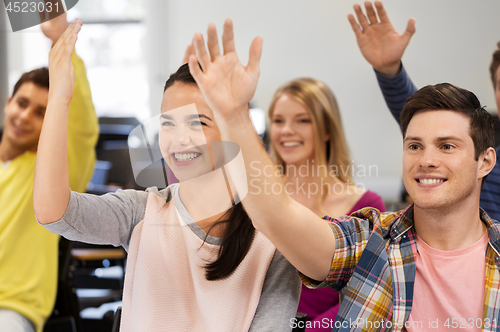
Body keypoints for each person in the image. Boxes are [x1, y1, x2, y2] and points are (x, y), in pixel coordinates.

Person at [184, 19, 498, 331]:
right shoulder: (370, 243)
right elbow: (276, 215)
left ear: (485, 161)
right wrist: (234, 116)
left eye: (446, 146)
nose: (426, 160)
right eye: (414, 145)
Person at [34, 20, 300, 332]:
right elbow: (55, 213)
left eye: (197, 122)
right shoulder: (142, 210)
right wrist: (59, 100)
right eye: (168, 123)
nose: (179, 139)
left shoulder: (272, 238)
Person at [348, 0, 500, 221]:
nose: (428, 160)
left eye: (447, 146)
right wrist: (390, 71)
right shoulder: (481, 149)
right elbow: (427, 119)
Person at [0, 14, 98, 332]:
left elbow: (82, 129)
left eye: (41, 112)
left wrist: (60, 42)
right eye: (22, 103)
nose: (25, 116)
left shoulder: (50, 172)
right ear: (8, 103)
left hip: (11, 309)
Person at [268, 77, 385, 329]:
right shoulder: (259, 200)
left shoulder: (366, 206)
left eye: (302, 120)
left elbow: (366, 296)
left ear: (327, 129)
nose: (286, 130)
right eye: (278, 121)